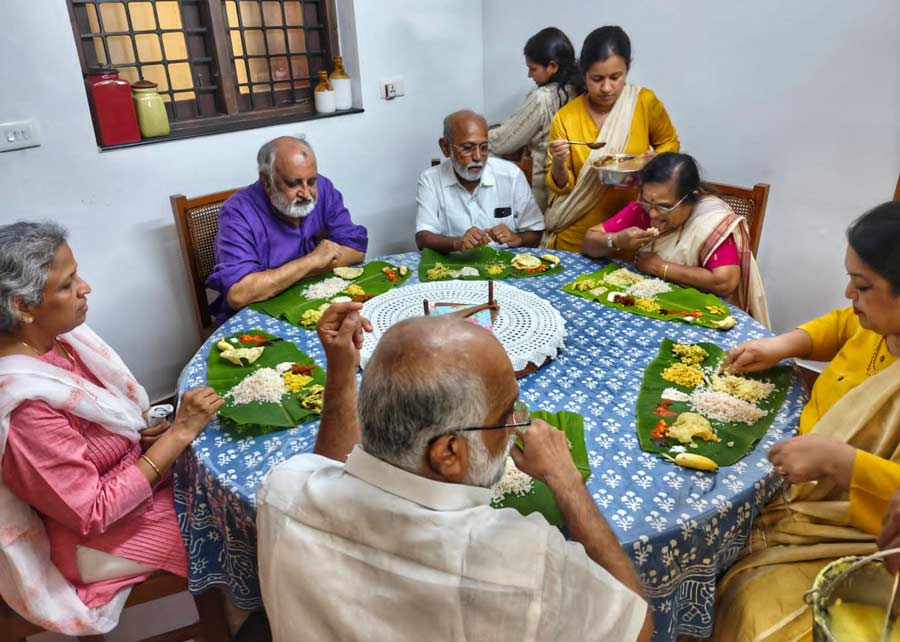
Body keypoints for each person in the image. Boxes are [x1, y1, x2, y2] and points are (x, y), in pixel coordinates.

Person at [256, 303, 653, 642]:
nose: (517, 424)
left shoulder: (281, 489)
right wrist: (566, 479)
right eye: (506, 415)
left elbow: (332, 472)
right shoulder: (525, 561)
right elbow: (636, 628)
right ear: (449, 452)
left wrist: (341, 370)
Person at [0, 221, 223, 635]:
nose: (85, 288)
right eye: (68, 285)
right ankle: (238, 618)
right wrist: (176, 435)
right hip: (92, 537)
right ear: (23, 307)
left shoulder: (60, 339)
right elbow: (92, 511)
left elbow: (102, 424)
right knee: (234, 519)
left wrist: (143, 437)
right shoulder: (24, 405)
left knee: (223, 459)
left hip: (128, 490)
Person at [709, 201, 900, 642]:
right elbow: (840, 326)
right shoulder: (880, 321)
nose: (849, 295)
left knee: (756, 612)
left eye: (862, 285)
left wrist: (842, 464)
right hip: (799, 466)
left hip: (850, 531)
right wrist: (781, 346)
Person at [582, 153, 770, 326]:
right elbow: (589, 242)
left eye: (665, 207)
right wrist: (616, 240)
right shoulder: (644, 209)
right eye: (647, 202)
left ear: (693, 196)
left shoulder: (709, 221)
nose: (653, 214)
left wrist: (660, 267)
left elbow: (725, 281)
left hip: (699, 318)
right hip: (649, 311)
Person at [544, 26, 680, 251]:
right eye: (597, 79)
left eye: (615, 77)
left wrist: (655, 159)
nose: (607, 88)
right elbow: (560, 187)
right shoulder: (566, 117)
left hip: (631, 229)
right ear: (583, 75)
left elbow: (670, 142)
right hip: (577, 233)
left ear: (627, 69)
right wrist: (558, 160)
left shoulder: (643, 102)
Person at [207, 136, 368, 323]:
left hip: (315, 303)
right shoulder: (238, 212)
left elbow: (356, 250)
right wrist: (312, 260)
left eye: (311, 181)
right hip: (260, 317)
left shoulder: (323, 188)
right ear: (267, 181)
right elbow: (240, 294)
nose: (306, 193)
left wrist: (280, 278)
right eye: (293, 183)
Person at [416, 110, 545, 253]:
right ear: (445, 147)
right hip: (455, 267)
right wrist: (457, 243)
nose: (478, 157)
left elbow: (535, 233)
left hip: (504, 266)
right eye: (467, 148)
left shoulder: (511, 175)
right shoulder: (431, 179)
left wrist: (517, 239)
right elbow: (423, 238)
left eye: (484, 147)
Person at [488, 27, 581, 211]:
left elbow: (503, 142)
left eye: (533, 69)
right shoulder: (581, 91)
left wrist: (473, 139)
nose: (529, 75)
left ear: (552, 66)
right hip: (573, 196)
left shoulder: (543, 98)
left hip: (542, 196)